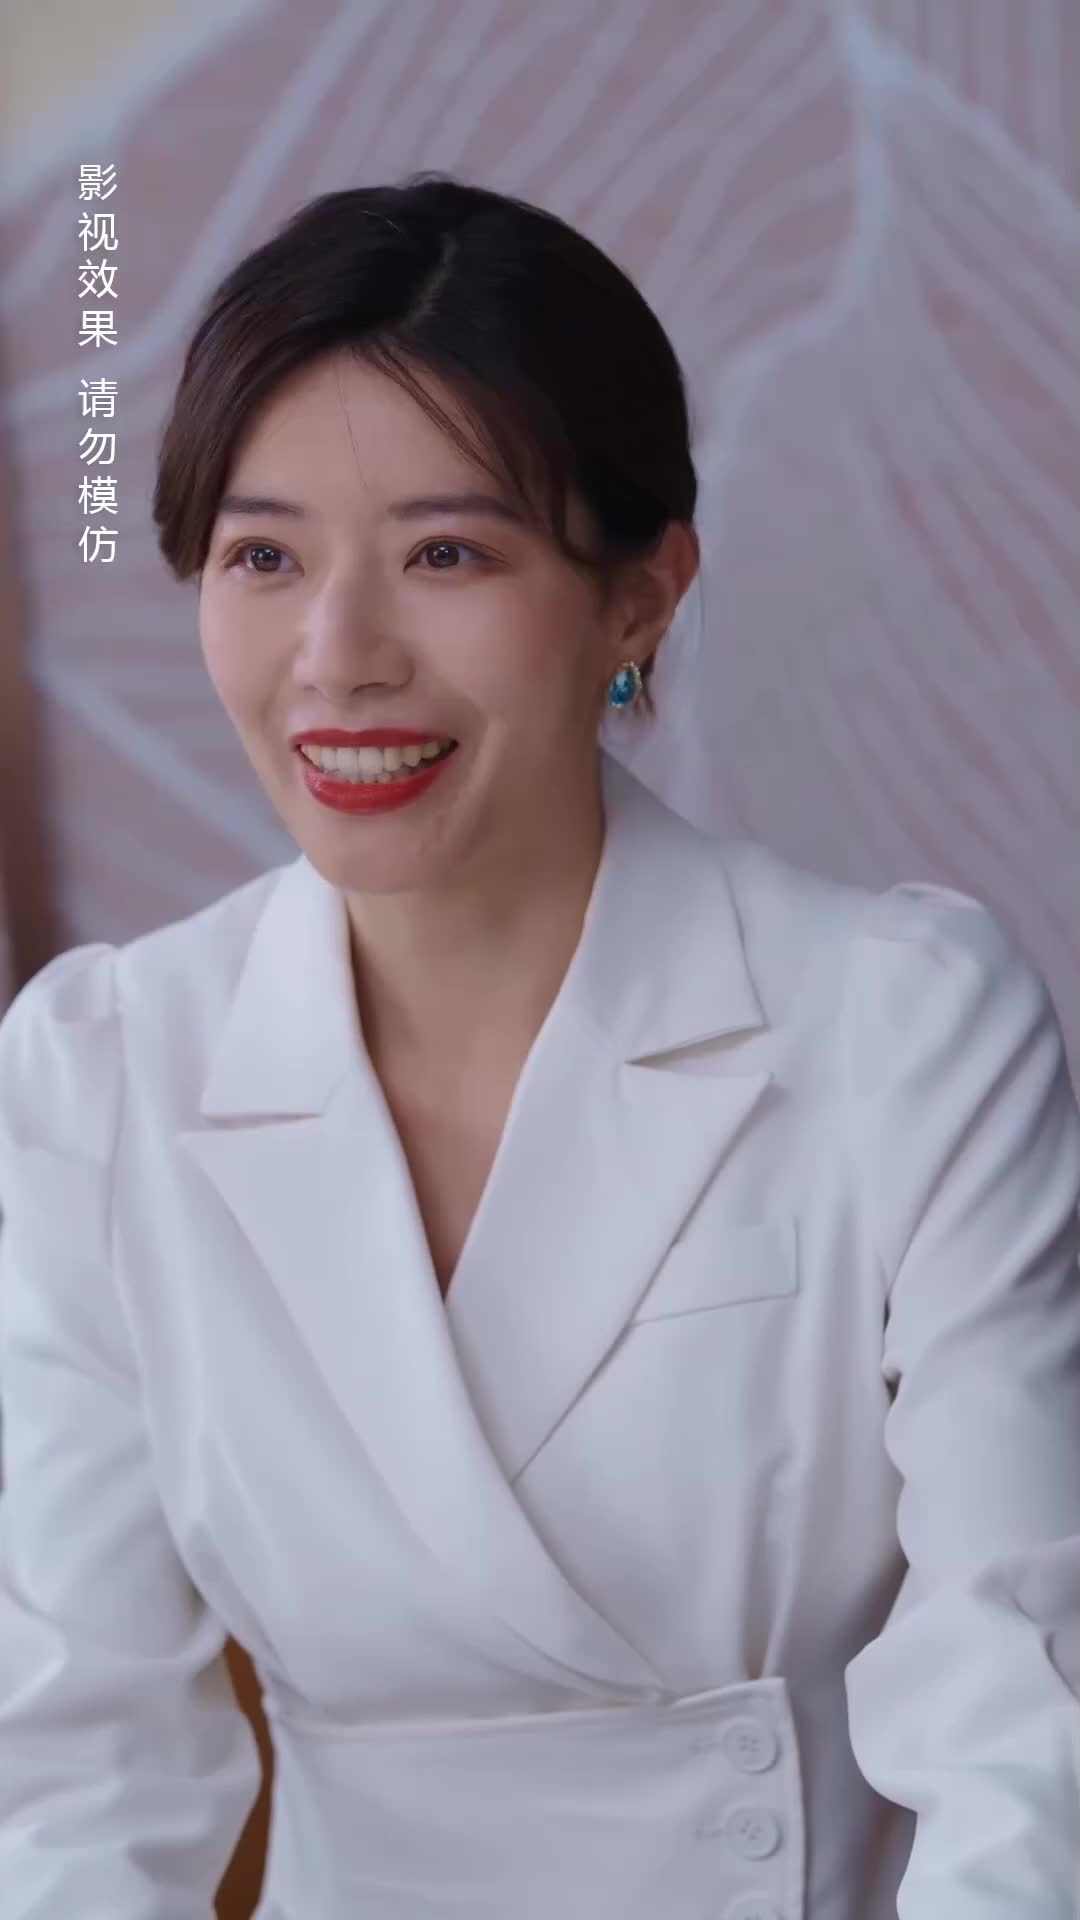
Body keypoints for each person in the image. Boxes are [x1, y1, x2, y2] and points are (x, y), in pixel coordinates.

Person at [0, 172, 1077, 1920]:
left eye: (447, 554)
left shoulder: (904, 1025)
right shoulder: (95, 1074)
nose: (338, 660)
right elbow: (71, 1776)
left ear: (639, 597)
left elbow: (1025, 1697)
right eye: (264, 557)